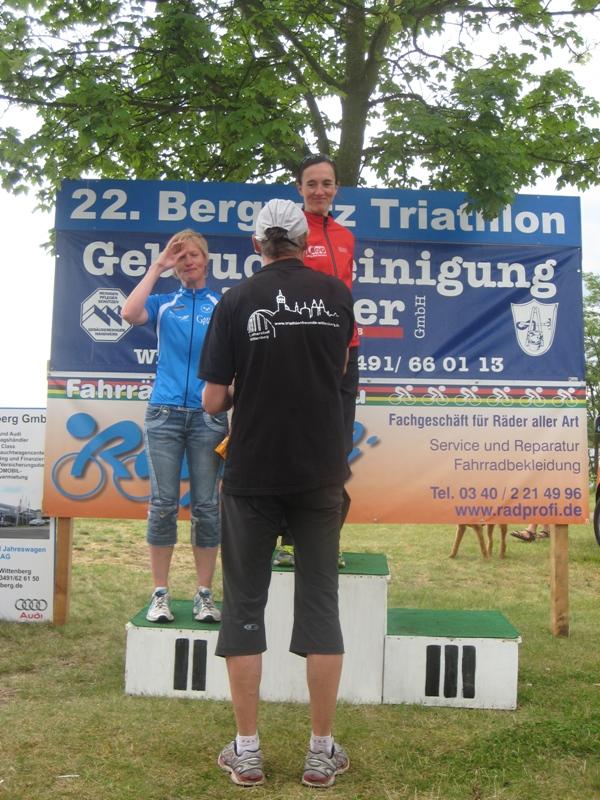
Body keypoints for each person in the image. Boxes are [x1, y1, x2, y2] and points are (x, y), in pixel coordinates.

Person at [199, 199, 354, 788]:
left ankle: (248, 752)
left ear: (256, 244)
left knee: (243, 607)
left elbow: (213, 400)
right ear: (302, 241)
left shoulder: (236, 300)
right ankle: (320, 751)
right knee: (321, 607)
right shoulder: (336, 296)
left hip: (252, 473)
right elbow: (339, 372)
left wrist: (250, 384)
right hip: (319, 471)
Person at [122, 229, 227, 624]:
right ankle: (160, 593)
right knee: (163, 505)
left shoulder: (222, 305)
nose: (187, 262)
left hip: (208, 415)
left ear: (206, 259)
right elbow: (129, 313)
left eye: (193, 255)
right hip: (164, 414)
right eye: (180, 257)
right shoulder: (164, 303)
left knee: (206, 507)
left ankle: (204, 594)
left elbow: (237, 358)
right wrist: (157, 266)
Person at [273, 153, 358, 569]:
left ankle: (326, 540)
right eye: (311, 183)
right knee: (294, 444)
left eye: (326, 183)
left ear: (336, 188)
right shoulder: (293, 234)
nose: (319, 190)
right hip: (302, 350)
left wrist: (343, 343)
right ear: (299, 189)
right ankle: (287, 541)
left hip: (344, 351)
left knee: (336, 448)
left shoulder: (346, 236)